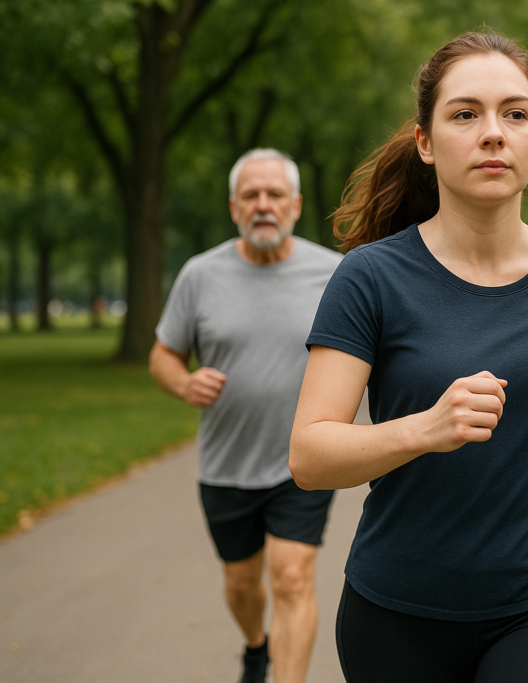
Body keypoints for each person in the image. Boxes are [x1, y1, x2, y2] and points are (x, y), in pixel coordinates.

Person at [288, 31, 528, 683]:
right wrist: (425, 428)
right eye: (464, 113)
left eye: (514, 113)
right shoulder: (369, 278)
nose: (493, 133)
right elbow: (309, 455)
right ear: (425, 142)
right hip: (399, 611)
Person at [149, 149, 341, 683]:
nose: (263, 205)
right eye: (251, 196)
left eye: (274, 194)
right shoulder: (200, 275)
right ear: (234, 207)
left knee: (292, 578)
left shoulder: (334, 273)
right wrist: (183, 381)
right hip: (226, 464)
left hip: (303, 459)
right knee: (241, 584)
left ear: (296, 205)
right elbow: (163, 354)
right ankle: (256, 646)